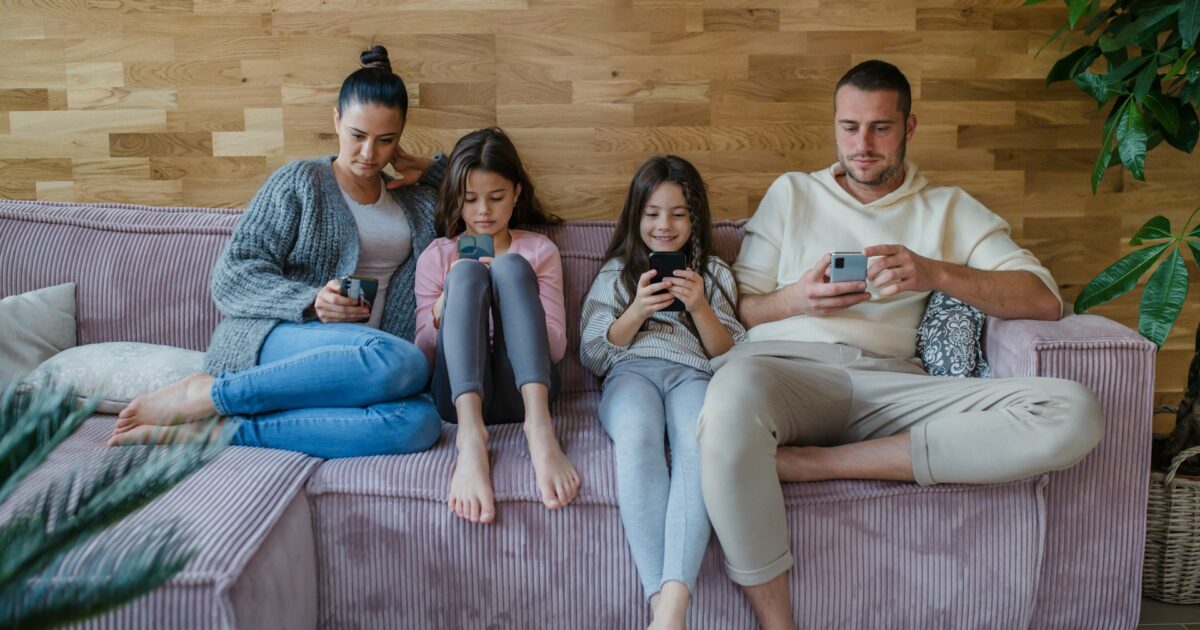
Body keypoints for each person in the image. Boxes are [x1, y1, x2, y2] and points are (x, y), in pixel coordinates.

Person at [696, 59, 1104, 629]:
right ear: (834, 125)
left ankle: (816, 465)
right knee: (729, 393)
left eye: (880, 128)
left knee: (1072, 411)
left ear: (909, 128)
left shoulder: (950, 208)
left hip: (893, 387)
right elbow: (741, 309)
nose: (861, 145)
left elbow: (1043, 300)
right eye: (848, 127)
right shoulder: (791, 194)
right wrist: (799, 299)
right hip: (784, 375)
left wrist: (934, 272)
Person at [110, 46, 446, 459]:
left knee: (420, 423)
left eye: (385, 140)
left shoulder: (416, 203)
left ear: (401, 136)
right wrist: (311, 302)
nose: (368, 154)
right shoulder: (299, 182)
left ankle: (218, 433)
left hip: (361, 370)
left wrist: (432, 170)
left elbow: (493, 204)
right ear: (336, 120)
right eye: (357, 135)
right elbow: (232, 277)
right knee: (406, 362)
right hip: (282, 341)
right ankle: (214, 393)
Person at [581, 155, 746, 630]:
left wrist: (698, 307)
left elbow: (728, 356)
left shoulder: (713, 274)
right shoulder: (616, 273)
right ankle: (664, 611)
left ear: (696, 219)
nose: (664, 225)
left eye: (678, 213)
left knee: (700, 444)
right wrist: (636, 311)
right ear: (636, 217)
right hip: (630, 371)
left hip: (693, 374)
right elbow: (593, 352)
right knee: (637, 436)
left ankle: (670, 608)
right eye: (652, 213)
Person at [414, 127, 580, 525]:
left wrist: (511, 292)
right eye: (470, 200)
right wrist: (446, 305)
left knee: (509, 266)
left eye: (496, 197)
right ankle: (471, 442)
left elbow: (557, 347)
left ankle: (540, 432)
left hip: (524, 393)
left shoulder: (539, 251)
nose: (483, 212)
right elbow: (423, 355)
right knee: (467, 276)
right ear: (456, 199)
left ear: (517, 192)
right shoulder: (437, 256)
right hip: (457, 398)